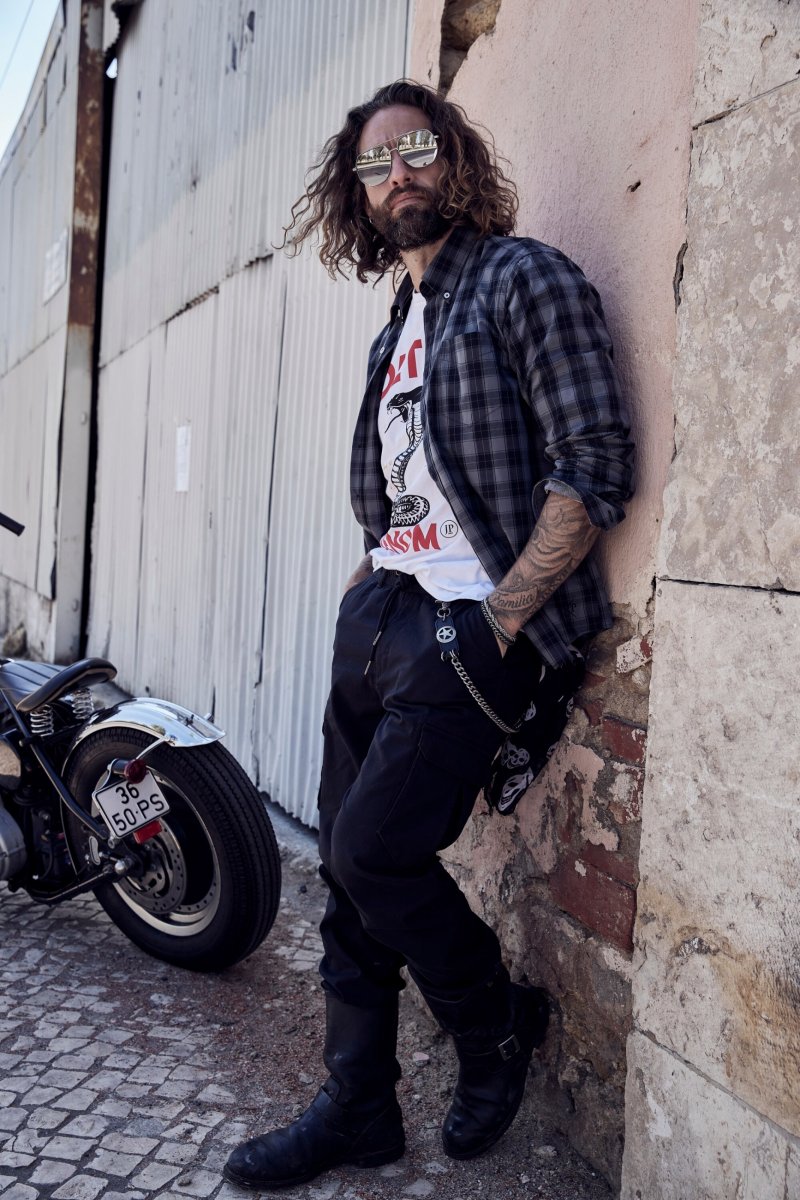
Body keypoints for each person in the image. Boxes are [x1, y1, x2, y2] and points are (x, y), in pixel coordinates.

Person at [224, 79, 634, 1192]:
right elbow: (408, 486)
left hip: (475, 625)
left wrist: (500, 619)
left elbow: (595, 461)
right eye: (374, 163)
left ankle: (493, 1024)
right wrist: (372, 573)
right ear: (355, 194)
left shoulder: (523, 278)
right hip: (383, 614)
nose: (396, 173)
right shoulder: (397, 323)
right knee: (347, 869)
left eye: (415, 150)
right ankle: (357, 1104)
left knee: (370, 851)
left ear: (455, 158)